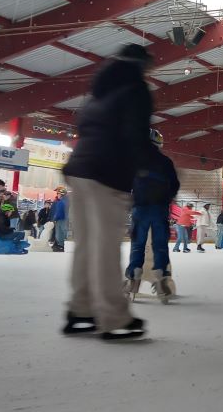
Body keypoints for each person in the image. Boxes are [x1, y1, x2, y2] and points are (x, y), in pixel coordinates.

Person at [60, 43, 151, 340]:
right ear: (139, 65)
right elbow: (135, 136)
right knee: (106, 247)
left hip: (79, 172)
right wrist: (147, 170)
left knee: (87, 244)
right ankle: (113, 318)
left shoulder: (96, 95)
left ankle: (81, 308)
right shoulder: (135, 90)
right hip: (107, 175)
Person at [125, 128, 179, 304]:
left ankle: (133, 278)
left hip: (140, 209)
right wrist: (166, 198)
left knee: (138, 245)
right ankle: (162, 279)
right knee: (160, 245)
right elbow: (175, 185)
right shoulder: (165, 162)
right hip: (159, 209)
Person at [51, 188, 69, 252]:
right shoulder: (67, 201)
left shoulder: (61, 202)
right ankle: (61, 246)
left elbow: (59, 212)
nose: (57, 195)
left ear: (61, 194)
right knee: (63, 232)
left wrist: (55, 219)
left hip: (61, 219)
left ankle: (61, 246)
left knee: (59, 233)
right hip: (66, 219)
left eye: (58, 193)